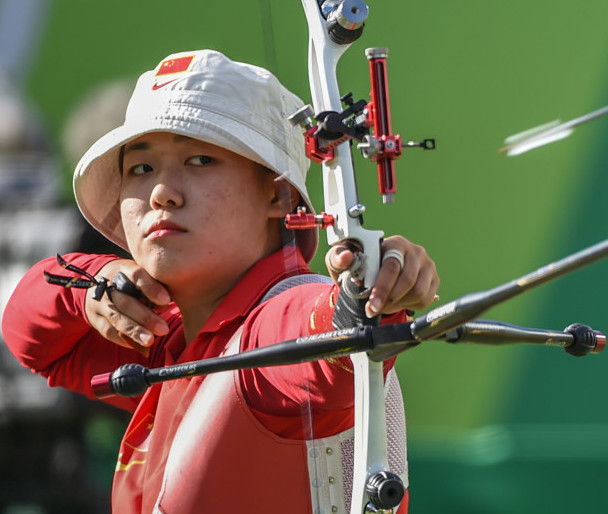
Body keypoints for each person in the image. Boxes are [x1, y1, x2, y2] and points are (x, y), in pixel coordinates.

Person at [1, 49, 439, 513]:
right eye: (141, 168)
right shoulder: (160, 335)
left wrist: (367, 292)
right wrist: (97, 281)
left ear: (278, 194)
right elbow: (28, 335)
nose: (160, 192)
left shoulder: (272, 323)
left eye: (200, 160)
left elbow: (321, 336)